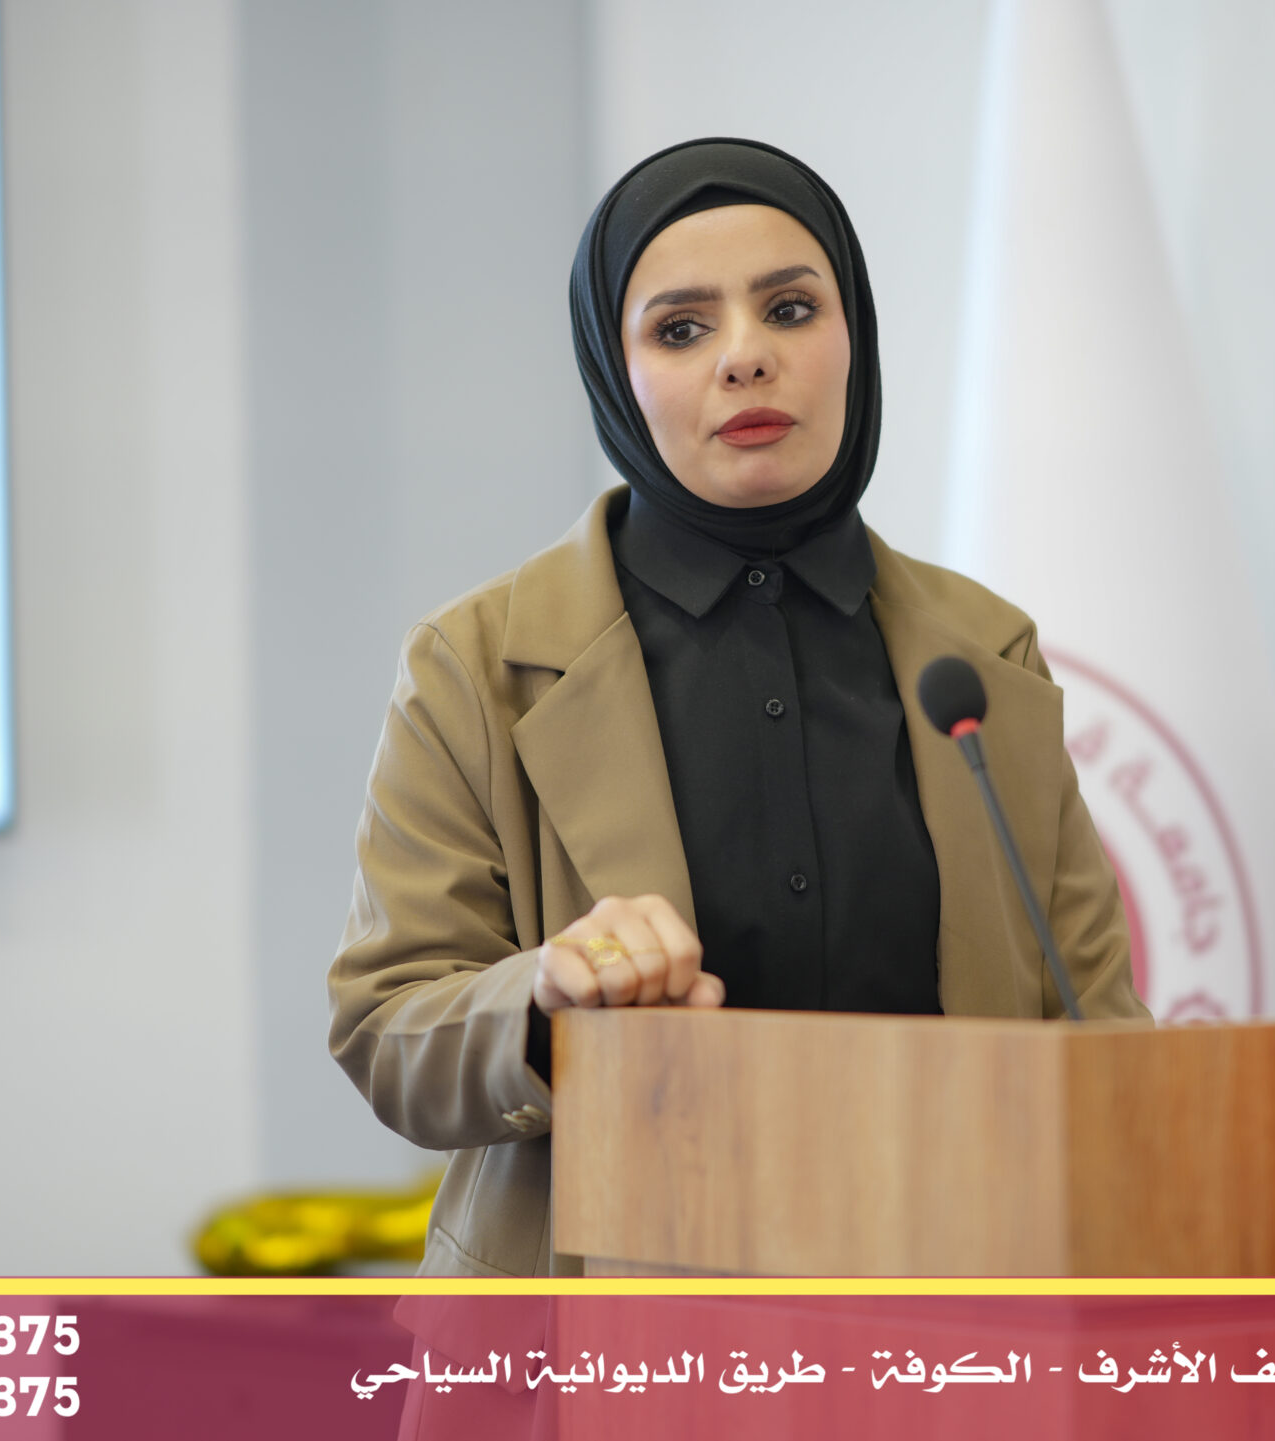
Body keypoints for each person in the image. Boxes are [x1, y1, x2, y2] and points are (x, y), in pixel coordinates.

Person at [327, 137, 1148, 1282]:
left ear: (853, 337)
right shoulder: (473, 664)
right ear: (615, 372)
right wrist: (543, 998)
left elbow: (1097, 1026)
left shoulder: (983, 658)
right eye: (680, 329)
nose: (746, 356)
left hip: (946, 1309)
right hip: (607, 1326)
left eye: (790, 309)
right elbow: (386, 1029)